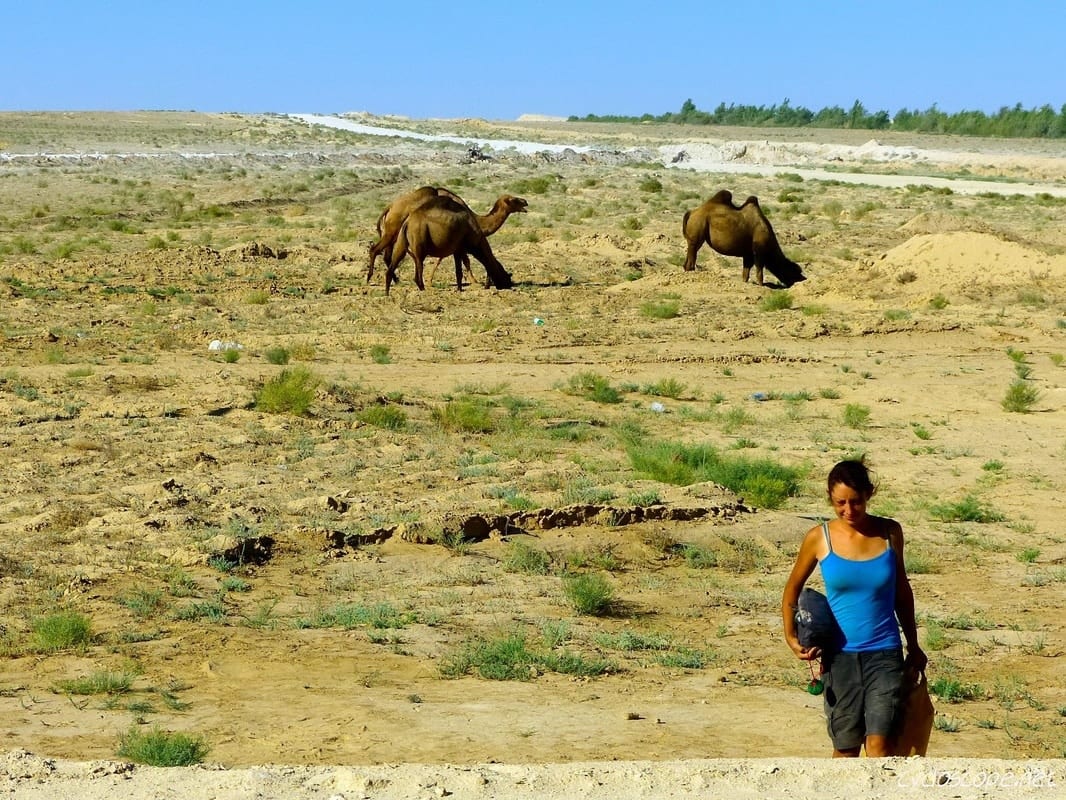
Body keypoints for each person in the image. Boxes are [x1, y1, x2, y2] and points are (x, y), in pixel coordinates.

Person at [782, 459, 927, 757]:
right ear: (830, 499)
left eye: (856, 502)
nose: (849, 511)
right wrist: (791, 637)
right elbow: (791, 590)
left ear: (869, 495)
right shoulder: (818, 538)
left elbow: (902, 592)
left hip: (885, 655)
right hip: (839, 660)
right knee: (846, 749)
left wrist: (913, 644)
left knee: (880, 746)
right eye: (840, 503)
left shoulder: (890, 533)